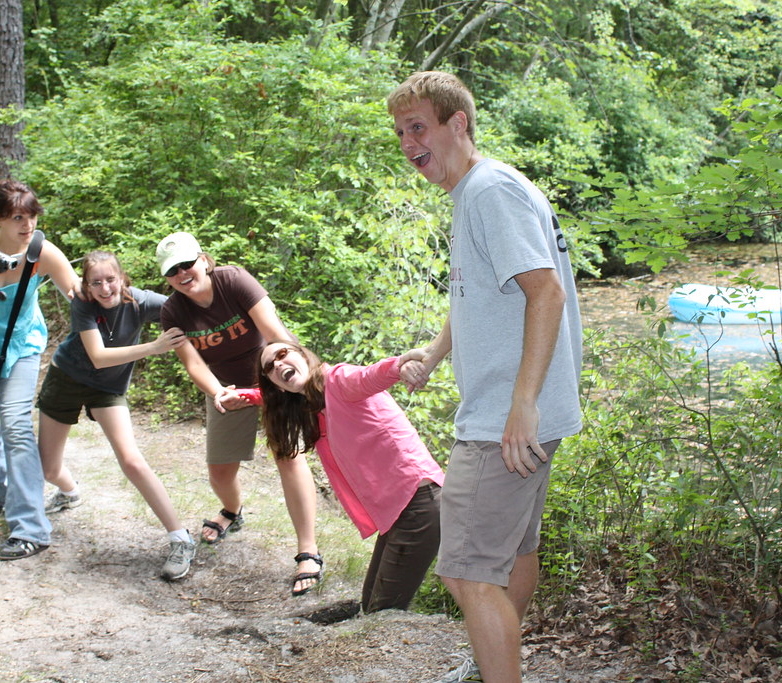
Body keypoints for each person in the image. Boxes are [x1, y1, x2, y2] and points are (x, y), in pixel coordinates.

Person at [387, 72, 583, 682]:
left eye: (418, 127)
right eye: (400, 133)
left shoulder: (489, 191)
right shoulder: (479, 191)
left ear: (458, 123)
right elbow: (477, 295)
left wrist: (521, 404)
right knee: (511, 552)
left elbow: (544, 292)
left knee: (466, 570)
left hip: (505, 419)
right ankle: (489, 664)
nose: (408, 143)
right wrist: (438, 351)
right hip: (522, 413)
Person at [155, 231, 323, 596]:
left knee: (289, 458)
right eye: (173, 271)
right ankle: (232, 510)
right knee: (219, 470)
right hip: (227, 389)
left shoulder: (233, 280)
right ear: (167, 278)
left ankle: (308, 551)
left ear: (203, 259)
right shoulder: (172, 310)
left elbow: (275, 333)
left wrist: (300, 378)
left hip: (272, 380)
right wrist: (219, 394)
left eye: (187, 263)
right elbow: (193, 363)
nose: (183, 273)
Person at [36, 250, 197, 581]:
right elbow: (98, 355)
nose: (105, 288)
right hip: (66, 378)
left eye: (110, 280)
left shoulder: (142, 302)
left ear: (123, 279)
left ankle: (180, 539)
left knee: (132, 460)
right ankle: (69, 492)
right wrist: (154, 346)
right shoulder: (83, 302)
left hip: (107, 389)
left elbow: (187, 308)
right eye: (96, 282)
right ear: (87, 285)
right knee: (48, 468)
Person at [251, 341, 444, 611]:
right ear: (277, 386)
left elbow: (369, 376)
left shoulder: (337, 381)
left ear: (304, 356)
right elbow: (266, 396)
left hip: (419, 501)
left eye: (283, 355)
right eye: (270, 367)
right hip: (398, 511)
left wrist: (400, 365)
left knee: (382, 612)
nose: (279, 364)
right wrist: (244, 396)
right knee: (369, 606)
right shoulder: (314, 403)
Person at [0, 179, 82, 561]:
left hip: (21, 347)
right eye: (17, 218)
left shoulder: (42, 251)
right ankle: (0, 490)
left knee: (15, 425)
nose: (27, 226)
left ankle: (30, 528)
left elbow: (79, 296)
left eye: (31, 217)